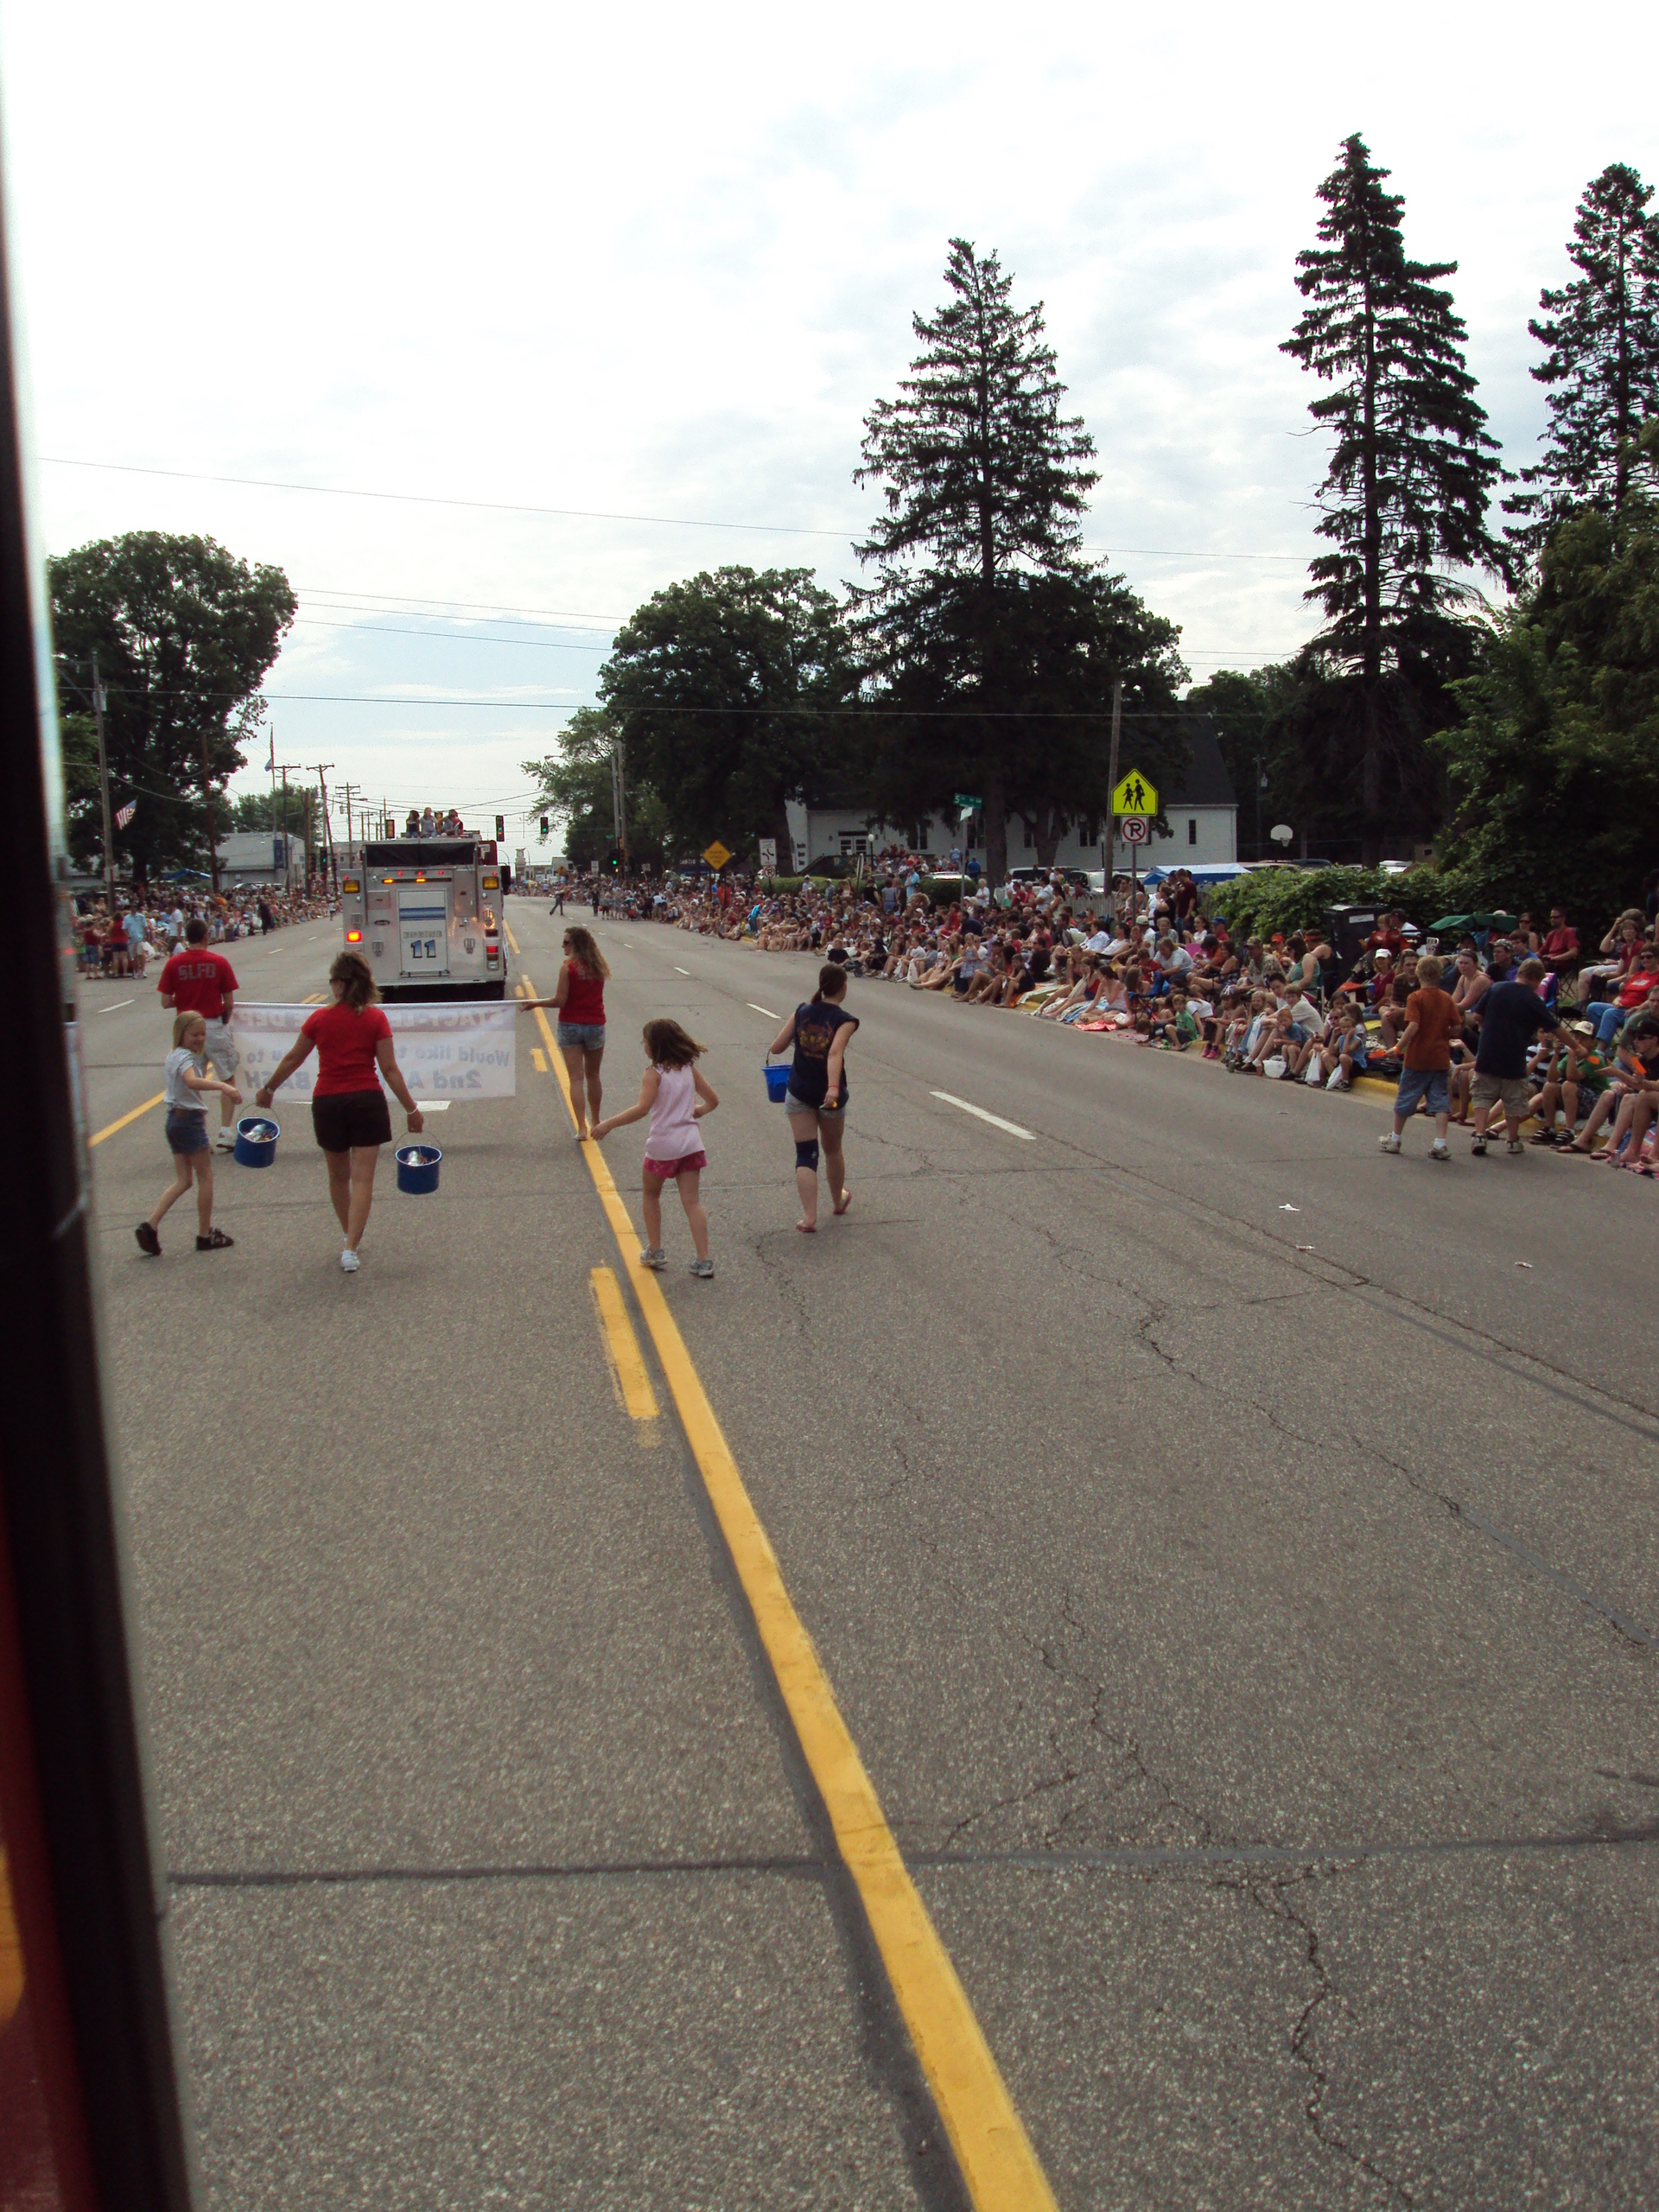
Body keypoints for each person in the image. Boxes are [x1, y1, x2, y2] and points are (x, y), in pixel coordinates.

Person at [253, 950, 425, 1273]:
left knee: (337, 1177)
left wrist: (269, 1088)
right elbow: (389, 1069)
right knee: (363, 1179)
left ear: (338, 984)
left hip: (328, 1101)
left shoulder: (319, 1019)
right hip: (366, 1100)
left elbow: (293, 1059)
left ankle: (349, 1236)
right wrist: (411, 1109)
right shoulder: (376, 1019)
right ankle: (351, 1247)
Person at [592, 1020, 718, 1276]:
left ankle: (655, 1250)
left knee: (651, 1195)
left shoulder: (654, 1074)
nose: (643, 1045)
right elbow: (713, 1101)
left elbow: (642, 1109)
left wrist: (608, 1124)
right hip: (691, 1143)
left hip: (662, 1145)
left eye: (645, 1041)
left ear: (656, 1046)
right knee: (692, 1202)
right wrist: (698, 1112)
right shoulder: (689, 1070)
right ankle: (703, 1259)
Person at [136, 1012, 243, 1255]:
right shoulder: (185, 1059)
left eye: (203, 1034)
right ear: (181, 1034)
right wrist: (223, 1085)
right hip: (188, 1122)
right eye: (194, 1034)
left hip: (174, 1119)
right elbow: (192, 1082)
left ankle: (150, 1225)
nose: (199, 1039)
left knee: (184, 1180)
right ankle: (204, 1235)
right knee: (206, 1177)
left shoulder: (173, 1056)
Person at [768, 963, 859, 1233]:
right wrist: (832, 1087)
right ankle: (837, 1200)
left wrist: (801, 1037)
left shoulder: (802, 1011)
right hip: (828, 1094)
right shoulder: (845, 1020)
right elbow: (834, 1054)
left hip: (798, 1090)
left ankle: (809, 1217)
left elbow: (776, 1047)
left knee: (805, 1153)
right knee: (832, 1150)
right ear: (843, 987)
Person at [157, 918, 241, 1151]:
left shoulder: (174, 964)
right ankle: (225, 1131)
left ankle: (199, 1134)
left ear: (186, 938)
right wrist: (223, 1020)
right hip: (213, 1024)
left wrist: (182, 999)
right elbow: (229, 1001)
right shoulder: (219, 962)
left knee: (193, 1082)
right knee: (227, 1078)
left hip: (186, 1027)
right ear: (206, 937)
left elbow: (165, 1001)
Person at [1470, 957, 1560, 1156]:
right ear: (1536, 979)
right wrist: (1576, 1046)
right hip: (1515, 1055)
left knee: (1482, 1095)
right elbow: (1554, 1027)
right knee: (1513, 1100)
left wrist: (1486, 1027)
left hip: (1488, 1052)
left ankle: (1479, 1134)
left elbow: (1477, 1016)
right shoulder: (1533, 1000)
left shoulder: (1496, 989)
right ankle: (1512, 1140)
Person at [1379, 952, 1457, 1160]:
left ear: (1420, 973)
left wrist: (1397, 1048)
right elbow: (1457, 1025)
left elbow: (1413, 1025)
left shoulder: (1416, 997)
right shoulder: (1446, 998)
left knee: (1406, 1096)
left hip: (1418, 1056)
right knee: (1440, 1100)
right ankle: (1440, 1142)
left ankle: (1395, 1138)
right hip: (1440, 1056)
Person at [545, 925, 609, 1140]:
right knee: (593, 1075)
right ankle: (597, 1121)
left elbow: (559, 1001)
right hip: (595, 1024)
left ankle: (582, 1127)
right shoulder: (598, 966)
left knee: (575, 1079)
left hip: (571, 1024)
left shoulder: (568, 967)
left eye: (566, 942)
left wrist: (534, 1004)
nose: (563, 946)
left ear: (576, 944)